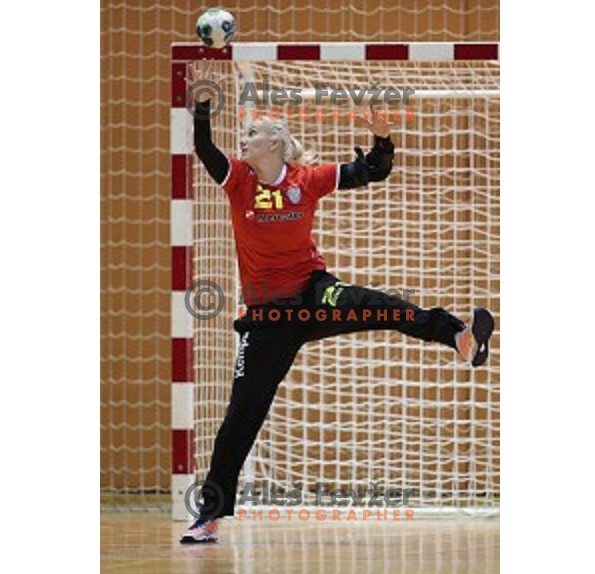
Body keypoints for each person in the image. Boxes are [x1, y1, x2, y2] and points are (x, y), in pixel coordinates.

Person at [180, 64, 494, 543]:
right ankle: (209, 516)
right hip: (265, 317)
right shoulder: (239, 179)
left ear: (276, 143)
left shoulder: (308, 178)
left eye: (253, 133)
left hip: (313, 293)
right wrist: (201, 104)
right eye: (243, 133)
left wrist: (383, 139)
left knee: (382, 306)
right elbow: (204, 149)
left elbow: (374, 170)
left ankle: (460, 337)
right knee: (242, 415)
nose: (243, 139)